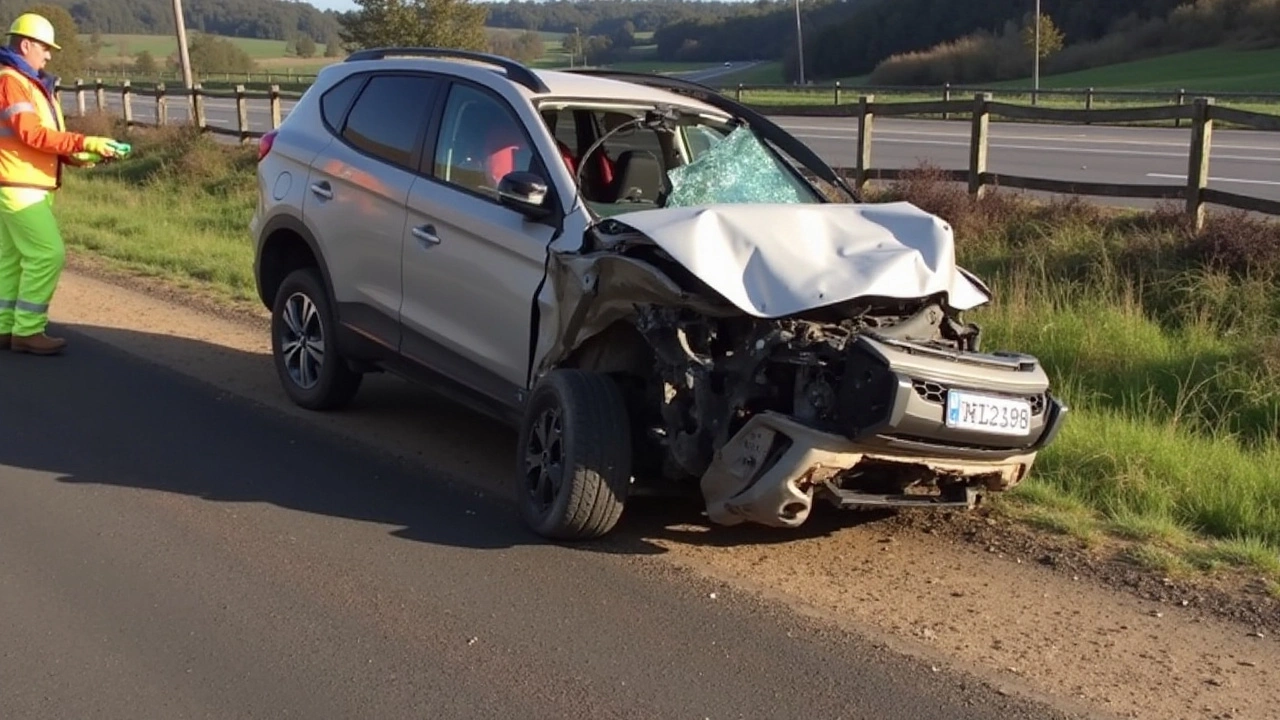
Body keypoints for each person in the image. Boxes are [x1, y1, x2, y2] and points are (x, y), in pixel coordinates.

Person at [0, 12, 125, 355]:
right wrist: (84, 142)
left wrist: (89, 154)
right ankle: (27, 331)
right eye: (45, 47)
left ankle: (6, 326)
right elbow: (32, 133)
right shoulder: (13, 81)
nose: (50, 54)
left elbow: (45, 140)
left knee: (12, 259)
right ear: (25, 45)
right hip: (18, 184)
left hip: (21, 181)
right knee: (47, 253)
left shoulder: (28, 82)